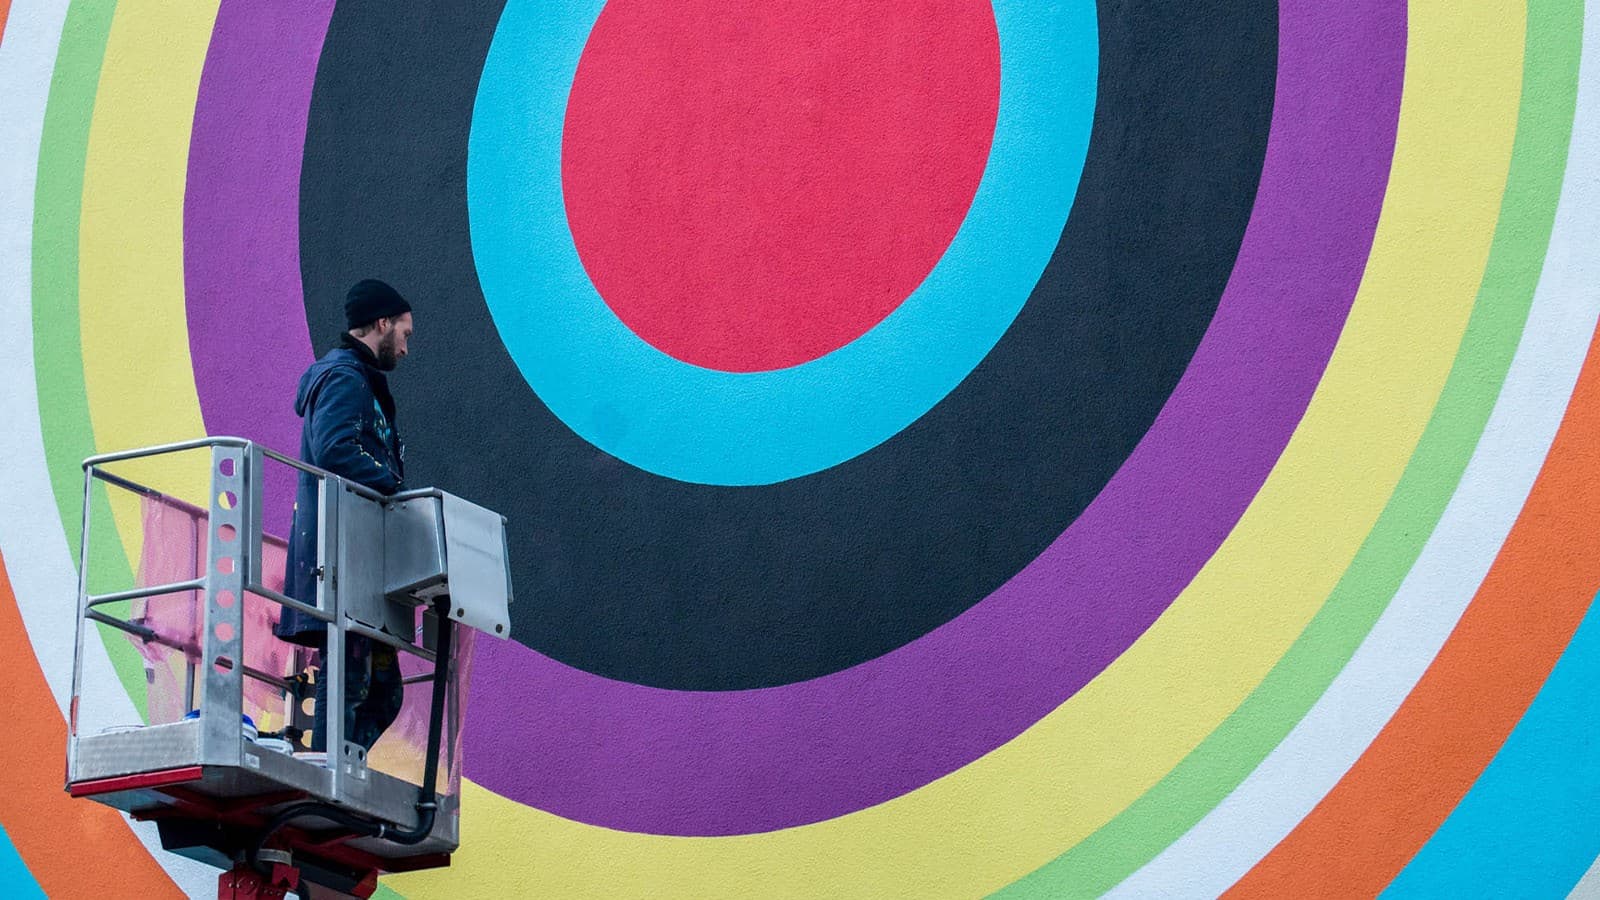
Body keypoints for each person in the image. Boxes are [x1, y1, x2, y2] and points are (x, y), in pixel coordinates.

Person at [275, 278, 415, 752]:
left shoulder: (358, 381)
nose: (406, 348)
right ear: (382, 323)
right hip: (341, 565)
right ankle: (329, 768)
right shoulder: (343, 377)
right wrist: (395, 488)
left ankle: (339, 765)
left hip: (357, 565)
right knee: (350, 681)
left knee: (384, 693)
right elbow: (335, 448)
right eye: (405, 334)